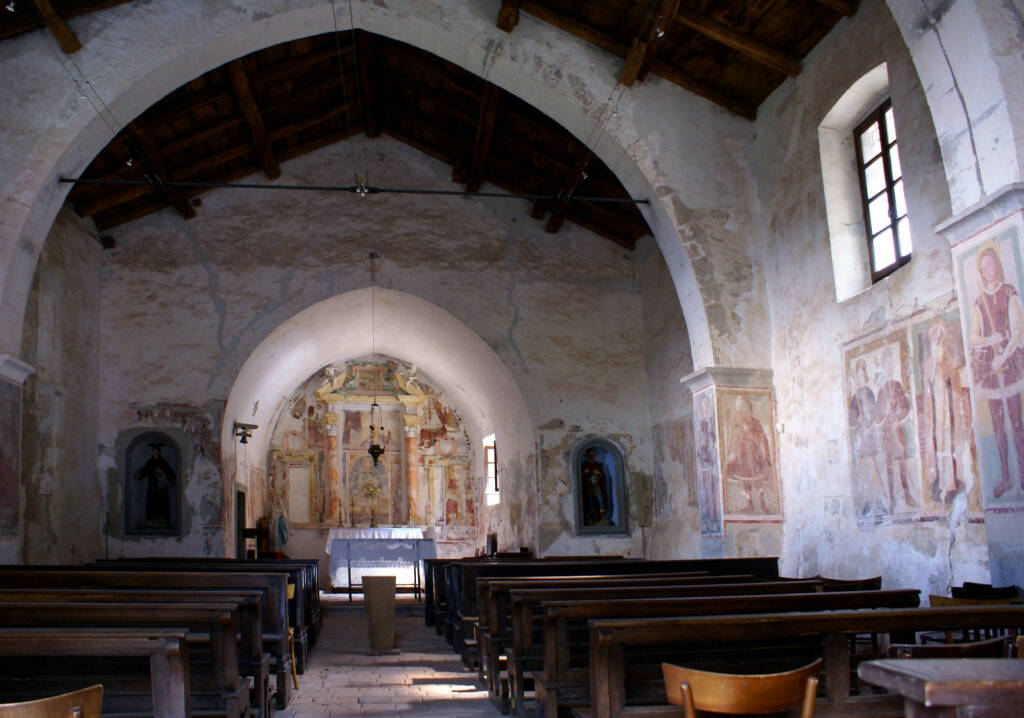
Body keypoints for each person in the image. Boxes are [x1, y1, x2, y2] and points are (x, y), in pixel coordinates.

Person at [969, 245, 1024, 499]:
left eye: (989, 266)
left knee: (1016, 424)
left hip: (1010, 366)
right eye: (982, 269)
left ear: (997, 265)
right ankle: (1005, 477)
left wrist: (1004, 352)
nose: (986, 271)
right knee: (998, 428)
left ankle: (1022, 474)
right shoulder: (980, 301)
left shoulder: (1010, 292)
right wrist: (989, 340)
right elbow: (972, 337)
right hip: (992, 371)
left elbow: (1019, 330)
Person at [724, 396, 773, 514]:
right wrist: (730, 453)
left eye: (742, 408)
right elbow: (732, 439)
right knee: (745, 481)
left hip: (754, 456)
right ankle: (749, 503)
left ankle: (762, 504)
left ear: (747, 408)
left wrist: (765, 455)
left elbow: (762, 438)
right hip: (741, 456)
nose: (741, 411)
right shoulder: (735, 422)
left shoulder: (754, 422)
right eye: (738, 408)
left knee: (757, 480)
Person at [135, 443, 176, 528]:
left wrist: (168, 479)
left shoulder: (163, 462)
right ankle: (152, 520)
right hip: (153, 487)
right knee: (152, 502)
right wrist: (140, 474)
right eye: (153, 452)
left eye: (156, 452)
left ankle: (163, 520)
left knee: (162, 503)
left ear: (159, 452)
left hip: (162, 487)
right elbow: (145, 470)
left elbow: (170, 473)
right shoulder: (150, 462)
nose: (154, 453)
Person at [581, 448, 612, 526]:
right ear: (588, 455)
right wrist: (584, 472)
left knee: (601, 501)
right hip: (588, 486)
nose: (592, 456)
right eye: (590, 455)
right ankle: (591, 518)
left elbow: (602, 475)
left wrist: (598, 473)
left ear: (594, 455)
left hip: (597, 486)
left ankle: (603, 517)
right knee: (590, 503)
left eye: (593, 455)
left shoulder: (598, 465)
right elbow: (580, 476)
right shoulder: (584, 465)